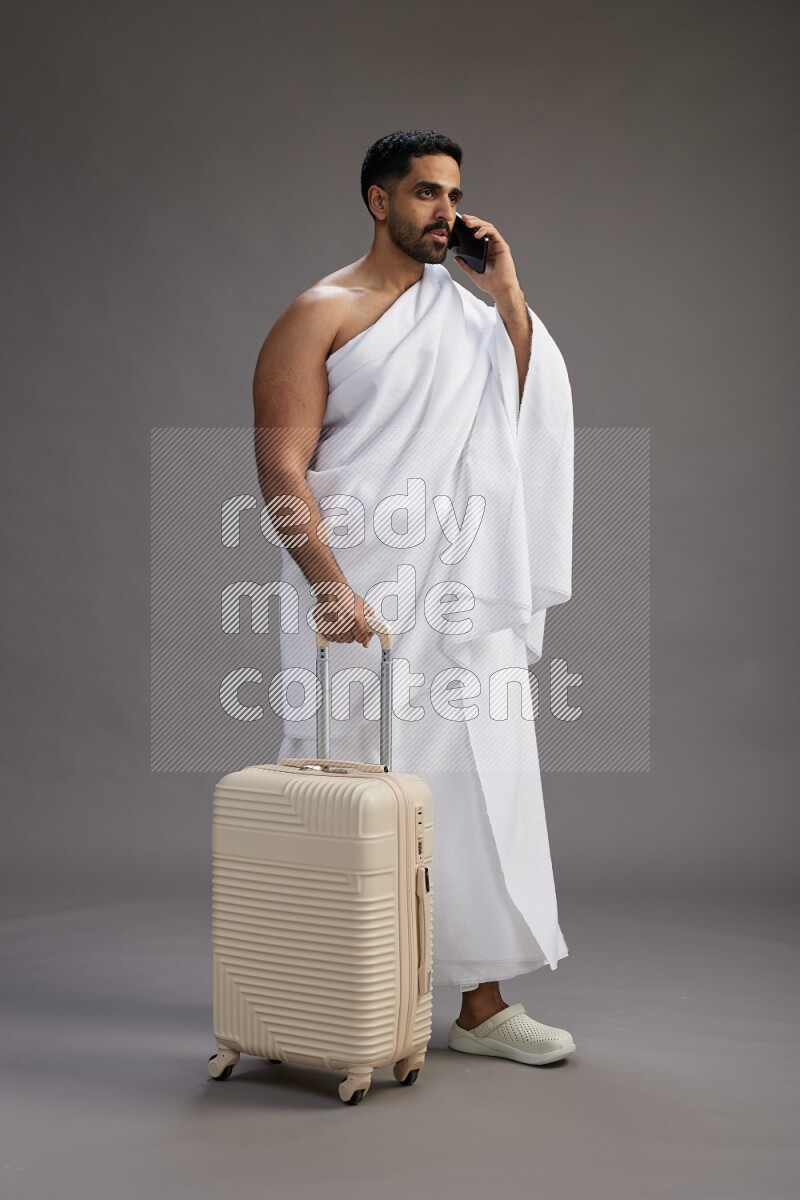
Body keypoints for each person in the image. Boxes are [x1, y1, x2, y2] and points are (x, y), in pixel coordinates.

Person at [252, 130, 576, 1066]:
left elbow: (524, 414)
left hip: (464, 590)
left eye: (455, 194)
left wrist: (506, 291)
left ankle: (481, 1007)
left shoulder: (471, 312)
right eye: (427, 193)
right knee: (344, 783)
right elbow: (280, 465)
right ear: (377, 200)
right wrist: (328, 588)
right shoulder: (320, 312)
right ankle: (316, 1001)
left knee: (476, 782)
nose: (446, 211)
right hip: (361, 591)